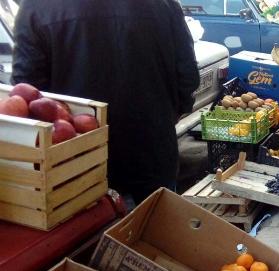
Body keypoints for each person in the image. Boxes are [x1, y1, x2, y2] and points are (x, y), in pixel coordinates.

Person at [12, 0, 200, 204]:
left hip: (78, 163)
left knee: (93, 232)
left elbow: (26, 90)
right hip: (151, 151)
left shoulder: (38, 6)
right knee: (157, 230)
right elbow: (187, 76)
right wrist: (169, 115)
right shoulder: (164, 4)